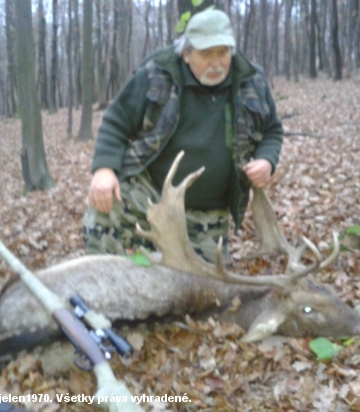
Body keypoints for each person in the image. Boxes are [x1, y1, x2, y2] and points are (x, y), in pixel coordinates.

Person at [83, 8, 283, 263]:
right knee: (105, 204)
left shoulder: (251, 81)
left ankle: (154, 272)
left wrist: (267, 160)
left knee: (208, 291)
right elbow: (116, 121)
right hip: (150, 193)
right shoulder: (157, 74)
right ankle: (101, 286)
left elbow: (272, 130)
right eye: (206, 53)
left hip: (206, 213)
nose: (216, 63)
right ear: (186, 54)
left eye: (223, 53)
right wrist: (104, 169)